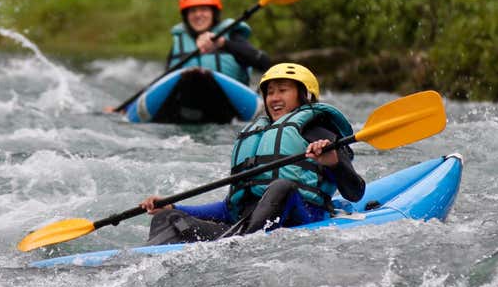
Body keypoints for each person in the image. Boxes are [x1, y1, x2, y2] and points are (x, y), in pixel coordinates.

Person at [139, 63, 366, 244]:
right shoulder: (256, 134)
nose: (274, 98)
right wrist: (175, 207)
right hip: (243, 228)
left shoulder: (320, 132)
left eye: (283, 90)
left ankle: (239, 246)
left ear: (304, 95)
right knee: (168, 218)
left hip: (299, 218)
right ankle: (145, 259)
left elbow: (354, 192)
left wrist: (334, 161)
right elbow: (230, 208)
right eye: (270, 92)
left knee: (282, 186)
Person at [167, 0, 270, 85]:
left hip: (229, 99)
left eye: (204, 9)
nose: (198, 15)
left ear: (214, 13)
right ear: (186, 16)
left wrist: (223, 44)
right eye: (193, 11)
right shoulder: (179, 42)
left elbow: (263, 62)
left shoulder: (232, 35)